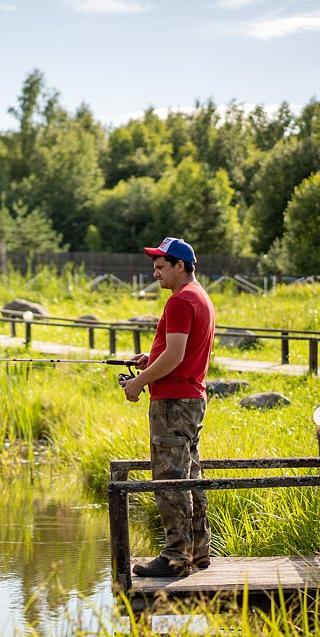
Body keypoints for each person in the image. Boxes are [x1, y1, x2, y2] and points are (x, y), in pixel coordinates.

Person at [121, 237, 216, 578]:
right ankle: (199, 553)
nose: (156, 272)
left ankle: (176, 558)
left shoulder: (179, 300)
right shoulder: (200, 296)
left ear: (180, 266)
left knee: (170, 479)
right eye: (155, 266)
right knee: (191, 475)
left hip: (173, 403)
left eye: (161, 266)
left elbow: (175, 356)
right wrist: (152, 358)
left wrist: (139, 382)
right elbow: (180, 350)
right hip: (192, 400)